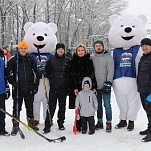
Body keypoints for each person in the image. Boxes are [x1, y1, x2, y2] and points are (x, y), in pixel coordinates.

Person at [6, 41, 39, 136]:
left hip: (29, 88)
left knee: (29, 106)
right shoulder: (14, 60)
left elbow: (36, 72)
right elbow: (8, 73)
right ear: (18, 49)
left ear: (27, 50)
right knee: (16, 107)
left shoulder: (30, 59)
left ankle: (31, 123)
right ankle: (15, 125)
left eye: (25, 49)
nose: (23, 50)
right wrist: (13, 83)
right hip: (18, 89)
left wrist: (35, 84)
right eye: (22, 48)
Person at [69, 44, 97, 132]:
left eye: (82, 50)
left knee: (87, 105)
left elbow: (92, 75)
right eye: (79, 50)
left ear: (85, 51)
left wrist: (93, 86)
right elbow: (70, 76)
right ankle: (79, 124)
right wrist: (74, 87)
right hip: (77, 87)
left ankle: (89, 123)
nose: (81, 52)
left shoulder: (88, 61)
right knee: (78, 106)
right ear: (76, 52)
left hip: (87, 87)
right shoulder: (73, 62)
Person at [43, 43, 70, 133]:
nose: (60, 50)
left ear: (64, 50)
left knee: (62, 107)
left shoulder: (67, 60)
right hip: (54, 87)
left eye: (62, 49)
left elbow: (70, 74)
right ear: (56, 50)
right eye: (59, 49)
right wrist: (51, 77)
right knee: (51, 107)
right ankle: (48, 124)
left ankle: (61, 123)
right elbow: (47, 71)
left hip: (63, 88)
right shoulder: (51, 60)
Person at [91, 40, 114, 132]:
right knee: (98, 106)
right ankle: (99, 121)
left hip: (105, 86)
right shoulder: (92, 58)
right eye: (96, 46)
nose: (98, 47)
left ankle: (109, 122)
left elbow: (111, 71)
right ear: (94, 48)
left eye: (100, 45)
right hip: (96, 86)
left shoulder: (108, 58)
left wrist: (108, 82)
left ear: (103, 47)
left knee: (107, 105)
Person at [137, 38, 151, 142]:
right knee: (147, 111)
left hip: (150, 91)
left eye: (146, 45)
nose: (144, 47)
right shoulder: (144, 57)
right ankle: (149, 127)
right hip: (143, 89)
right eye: (142, 46)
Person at [0, 48, 10, 136]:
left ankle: (2, 128)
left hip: (1, 90)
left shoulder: (2, 62)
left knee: (2, 111)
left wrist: (7, 88)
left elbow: (5, 76)